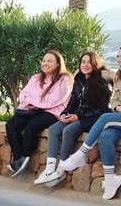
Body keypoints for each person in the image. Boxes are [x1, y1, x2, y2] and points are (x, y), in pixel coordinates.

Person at [34, 51, 112, 186]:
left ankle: (62, 168)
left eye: (89, 62)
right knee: (54, 129)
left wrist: (78, 116)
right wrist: (65, 113)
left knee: (68, 131)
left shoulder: (101, 82)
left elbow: (102, 109)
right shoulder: (79, 80)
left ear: (95, 64)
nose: (85, 65)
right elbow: (73, 101)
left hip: (91, 119)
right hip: (77, 115)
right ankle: (49, 169)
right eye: (83, 62)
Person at [58, 53, 121, 199]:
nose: (119, 59)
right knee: (105, 136)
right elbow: (115, 101)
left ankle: (81, 154)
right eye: (118, 56)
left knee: (105, 117)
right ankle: (111, 180)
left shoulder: (107, 78)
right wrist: (118, 107)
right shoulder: (119, 76)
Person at [4, 51, 73, 177]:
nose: (45, 63)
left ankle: (25, 156)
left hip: (53, 112)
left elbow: (56, 99)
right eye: (44, 60)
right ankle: (19, 158)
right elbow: (23, 95)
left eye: (50, 61)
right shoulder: (36, 78)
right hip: (33, 110)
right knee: (11, 124)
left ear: (58, 64)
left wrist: (33, 100)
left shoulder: (65, 79)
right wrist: (33, 101)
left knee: (33, 125)